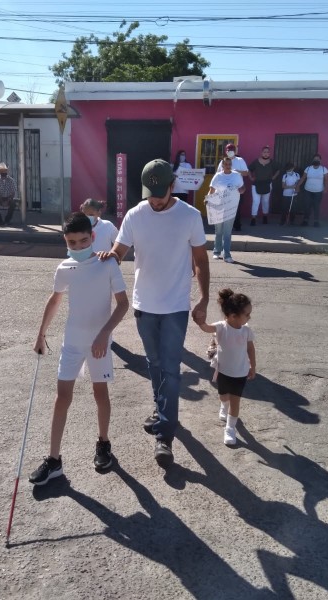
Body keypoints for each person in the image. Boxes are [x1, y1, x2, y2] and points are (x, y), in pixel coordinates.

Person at [101, 159, 210, 467]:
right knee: (154, 363)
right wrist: (103, 258)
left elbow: (201, 260)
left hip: (175, 306)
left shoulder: (190, 216)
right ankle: (161, 408)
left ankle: (164, 435)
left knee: (172, 370)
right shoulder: (136, 215)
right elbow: (119, 252)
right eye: (151, 194)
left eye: (161, 194)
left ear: (172, 187)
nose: (156, 200)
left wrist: (202, 299)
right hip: (144, 305)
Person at [29, 212, 129, 485]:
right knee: (61, 397)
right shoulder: (64, 267)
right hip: (72, 341)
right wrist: (41, 334)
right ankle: (54, 460)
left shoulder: (107, 264)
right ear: (65, 241)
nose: (78, 247)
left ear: (93, 237)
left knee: (100, 393)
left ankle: (103, 443)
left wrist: (104, 335)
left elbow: (123, 304)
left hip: (99, 342)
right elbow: (54, 300)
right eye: (72, 243)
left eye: (83, 241)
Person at [197, 289, 256, 446]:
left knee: (235, 401)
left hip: (240, 373)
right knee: (224, 396)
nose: (249, 317)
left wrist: (253, 366)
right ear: (233, 315)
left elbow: (251, 349)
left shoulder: (246, 330)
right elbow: (207, 328)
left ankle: (230, 428)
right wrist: (200, 321)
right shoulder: (222, 327)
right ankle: (223, 405)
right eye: (247, 314)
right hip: (223, 371)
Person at [208, 157, 245, 263]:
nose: (228, 166)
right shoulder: (218, 176)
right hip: (218, 207)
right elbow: (212, 190)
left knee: (227, 232)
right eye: (226, 164)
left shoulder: (237, 176)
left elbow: (243, 188)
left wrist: (241, 190)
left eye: (229, 164)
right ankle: (216, 252)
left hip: (231, 207)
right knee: (218, 231)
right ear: (222, 165)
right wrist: (209, 202)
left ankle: (227, 255)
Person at [247, 146, 280, 226]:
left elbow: (278, 170)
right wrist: (251, 177)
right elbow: (248, 169)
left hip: (267, 184)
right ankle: (253, 218)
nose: (266, 154)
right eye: (264, 152)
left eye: (267, 152)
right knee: (256, 201)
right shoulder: (256, 161)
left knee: (265, 201)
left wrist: (273, 177)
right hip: (256, 184)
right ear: (262, 153)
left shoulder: (272, 162)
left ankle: (265, 216)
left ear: (269, 153)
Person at [221, 143, 248, 231]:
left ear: (235, 151)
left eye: (231, 150)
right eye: (228, 150)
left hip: (237, 188)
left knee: (237, 207)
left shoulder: (240, 160)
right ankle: (227, 225)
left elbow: (246, 173)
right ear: (226, 151)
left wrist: (237, 171)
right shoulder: (223, 161)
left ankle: (237, 225)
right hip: (226, 188)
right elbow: (218, 174)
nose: (230, 152)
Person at [300, 153, 328, 227]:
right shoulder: (308, 168)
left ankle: (316, 222)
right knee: (307, 206)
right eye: (315, 159)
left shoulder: (324, 169)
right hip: (307, 190)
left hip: (318, 191)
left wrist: (326, 188)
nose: (316, 160)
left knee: (316, 206)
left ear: (320, 161)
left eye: (317, 159)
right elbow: (303, 178)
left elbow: (326, 180)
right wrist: (297, 186)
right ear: (312, 160)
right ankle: (305, 221)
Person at [0, 162, 17, 226]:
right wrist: (1, 200)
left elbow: (13, 192)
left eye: (4, 172)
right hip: (0, 198)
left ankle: (7, 220)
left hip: (9, 197)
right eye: (2, 172)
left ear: (6, 172)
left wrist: (8, 200)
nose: (3, 173)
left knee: (13, 204)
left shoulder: (11, 180)